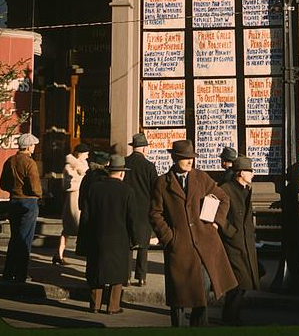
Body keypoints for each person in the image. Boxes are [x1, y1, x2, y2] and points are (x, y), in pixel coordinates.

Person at [149, 139, 237, 327]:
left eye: (192, 158)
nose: (190, 161)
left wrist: (215, 222)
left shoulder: (201, 178)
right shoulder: (162, 183)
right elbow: (155, 213)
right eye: (185, 158)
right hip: (179, 246)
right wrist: (169, 237)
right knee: (178, 297)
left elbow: (224, 199)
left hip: (203, 245)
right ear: (174, 158)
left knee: (202, 296)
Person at [77, 154, 138, 314]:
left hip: (96, 235)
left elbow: (85, 215)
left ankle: (95, 305)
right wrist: (136, 239)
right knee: (117, 273)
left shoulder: (94, 188)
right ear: (122, 173)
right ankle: (113, 306)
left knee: (96, 271)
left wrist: (83, 237)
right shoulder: (127, 191)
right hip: (119, 238)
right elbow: (132, 218)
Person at [219, 155, 260, 326]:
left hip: (246, 243)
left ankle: (232, 316)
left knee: (242, 283)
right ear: (240, 173)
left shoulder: (246, 189)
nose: (253, 174)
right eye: (250, 171)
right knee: (238, 283)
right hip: (233, 244)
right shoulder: (226, 190)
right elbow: (217, 215)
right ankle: (230, 318)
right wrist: (231, 232)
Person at [0, 133, 42, 283]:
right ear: (29, 146)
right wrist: (40, 195)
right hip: (28, 202)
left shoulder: (10, 161)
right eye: (33, 145)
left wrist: (14, 189)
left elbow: (3, 183)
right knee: (25, 240)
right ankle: (21, 273)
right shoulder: (30, 163)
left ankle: (9, 271)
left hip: (14, 200)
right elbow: (35, 186)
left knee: (15, 237)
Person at [124, 132, 158, 286]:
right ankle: (141, 276)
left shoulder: (124, 163)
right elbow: (155, 189)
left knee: (128, 243)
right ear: (144, 149)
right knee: (143, 244)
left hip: (126, 206)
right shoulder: (149, 166)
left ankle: (126, 276)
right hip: (144, 208)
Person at [53, 143, 90, 265]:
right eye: (86, 153)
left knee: (72, 227)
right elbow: (66, 185)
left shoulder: (83, 165)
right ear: (80, 154)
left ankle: (59, 254)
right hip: (74, 197)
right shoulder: (69, 167)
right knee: (73, 225)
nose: (88, 155)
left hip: (80, 196)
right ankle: (60, 253)